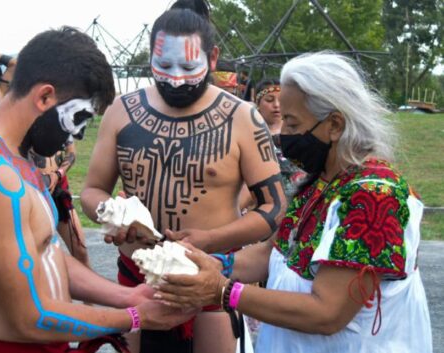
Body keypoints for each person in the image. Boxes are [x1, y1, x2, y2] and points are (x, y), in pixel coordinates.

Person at [0, 26, 193, 353]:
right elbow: (29, 317)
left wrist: (129, 296)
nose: (78, 135)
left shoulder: (15, 158)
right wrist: (134, 317)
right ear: (44, 96)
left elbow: (46, 253)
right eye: (80, 116)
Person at [155, 52, 433, 353]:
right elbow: (272, 254)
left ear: (335, 125)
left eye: (291, 122)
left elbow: (326, 313)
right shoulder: (321, 181)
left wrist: (222, 291)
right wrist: (213, 264)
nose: (283, 134)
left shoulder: (375, 197)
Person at [80, 1, 286, 352]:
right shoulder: (122, 111)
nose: (175, 77)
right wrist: (116, 216)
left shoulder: (242, 118)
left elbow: (273, 208)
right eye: (164, 65)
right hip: (137, 278)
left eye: (189, 66)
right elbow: (93, 190)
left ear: (213, 58)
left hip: (207, 283)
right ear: (150, 58)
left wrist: (209, 239)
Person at [239, 78, 306, 211]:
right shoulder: (246, 133)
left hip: (298, 203)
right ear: (257, 103)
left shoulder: (300, 131)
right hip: (262, 207)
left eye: (281, 100)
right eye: (269, 100)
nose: (276, 105)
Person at [24, 140, 91, 270]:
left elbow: (71, 152)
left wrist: (58, 174)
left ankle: (92, 289)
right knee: (37, 257)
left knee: (80, 251)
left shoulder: (61, 120)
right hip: (31, 192)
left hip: (58, 190)